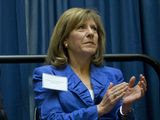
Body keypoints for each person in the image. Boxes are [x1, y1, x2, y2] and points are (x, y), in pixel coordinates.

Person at [33, 8, 147, 120]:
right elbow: (52, 118)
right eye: (81, 28)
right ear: (65, 40)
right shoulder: (48, 75)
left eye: (94, 29)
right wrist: (99, 109)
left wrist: (125, 109)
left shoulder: (113, 75)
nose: (91, 33)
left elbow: (120, 116)